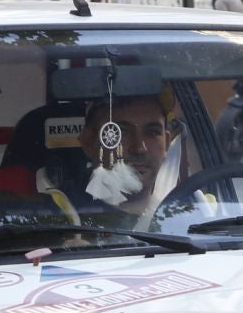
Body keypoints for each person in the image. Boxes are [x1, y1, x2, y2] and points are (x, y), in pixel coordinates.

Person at [75, 91, 180, 219]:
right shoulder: (60, 215)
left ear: (167, 143)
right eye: (121, 132)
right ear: (89, 142)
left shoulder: (196, 211)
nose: (139, 148)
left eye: (152, 133)